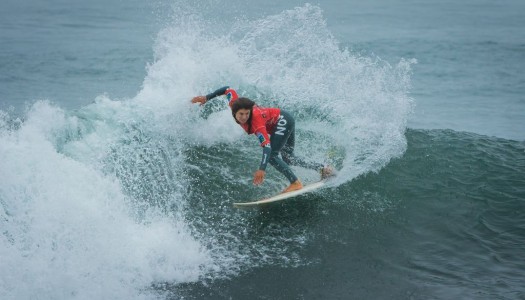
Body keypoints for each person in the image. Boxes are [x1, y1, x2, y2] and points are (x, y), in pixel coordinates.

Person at [191, 86, 332, 193]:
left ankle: (295, 183)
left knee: (272, 156)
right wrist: (207, 97)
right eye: (241, 114)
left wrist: (261, 169)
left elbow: (267, 147)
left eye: (247, 113)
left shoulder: (256, 122)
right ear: (234, 111)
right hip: (285, 118)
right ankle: (322, 168)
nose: (244, 116)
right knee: (288, 158)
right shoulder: (234, 103)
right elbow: (227, 89)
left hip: (282, 121)